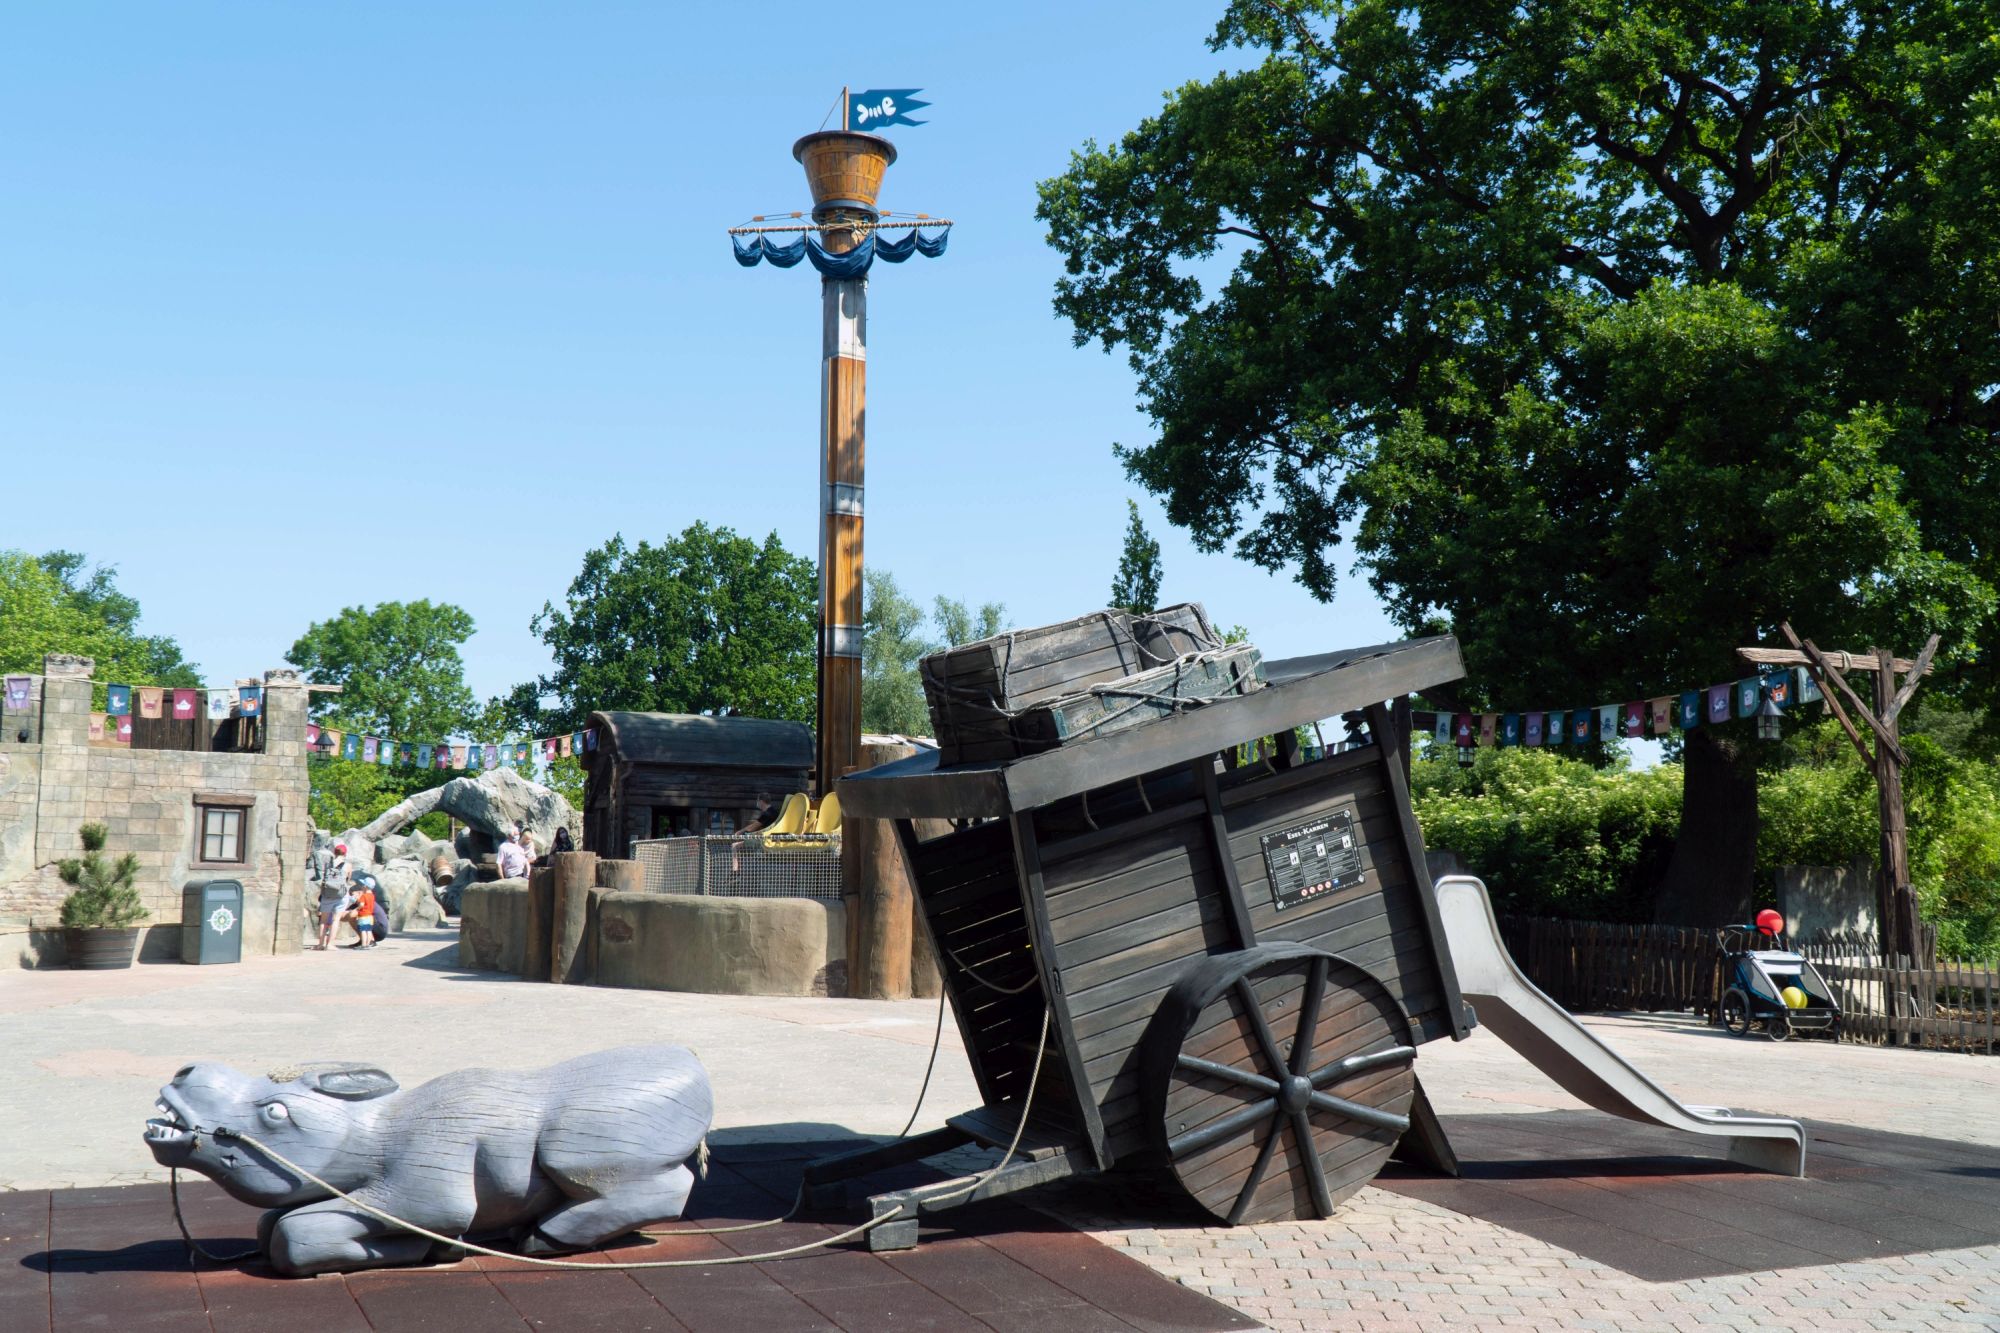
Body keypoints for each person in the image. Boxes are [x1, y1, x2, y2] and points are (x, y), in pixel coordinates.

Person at [313, 843, 353, 951]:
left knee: (323, 921)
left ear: (334, 852)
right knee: (336, 920)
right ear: (345, 853)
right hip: (341, 895)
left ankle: (320, 944)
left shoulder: (328, 864)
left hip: (327, 894)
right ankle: (330, 944)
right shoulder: (348, 865)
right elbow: (348, 880)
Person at [342, 875, 379, 949]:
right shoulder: (372, 896)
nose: (362, 886)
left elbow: (361, 905)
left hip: (364, 916)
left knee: (363, 931)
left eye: (362, 885)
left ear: (365, 886)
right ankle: (369, 944)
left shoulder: (364, 896)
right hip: (370, 916)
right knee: (368, 930)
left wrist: (356, 909)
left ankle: (363, 945)